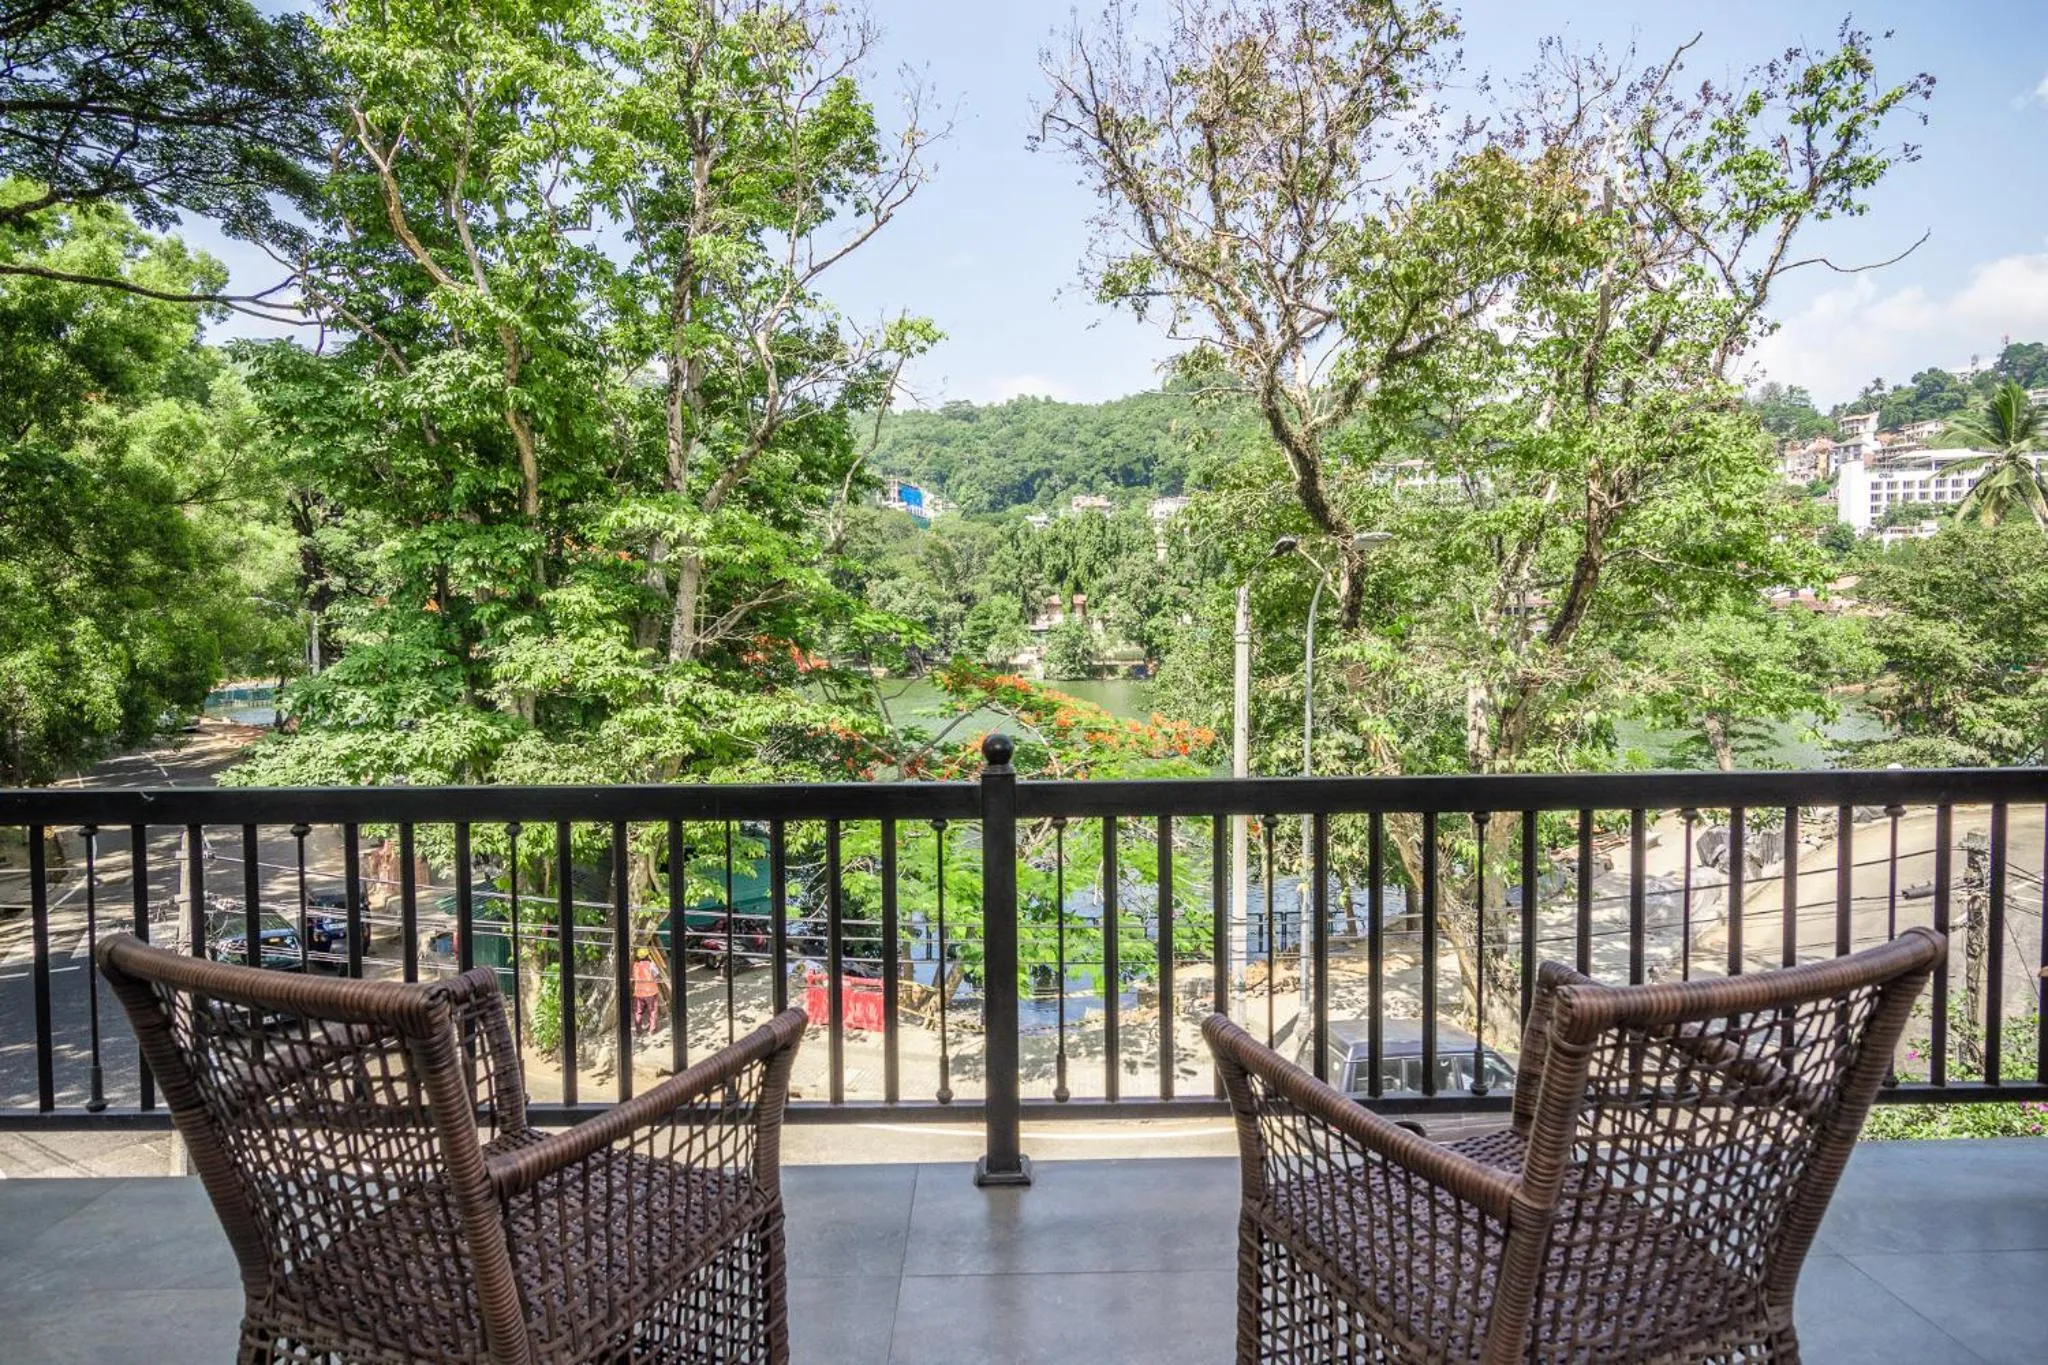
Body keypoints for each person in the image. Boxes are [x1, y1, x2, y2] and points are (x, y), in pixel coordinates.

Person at [632, 949, 662, 1036]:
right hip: (650, 992)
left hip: (638, 992)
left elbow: (634, 976)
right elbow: (657, 975)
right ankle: (652, 1029)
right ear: (648, 955)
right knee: (652, 1010)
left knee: (638, 1011)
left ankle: (638, 1031)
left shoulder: (635, 965)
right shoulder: (651, 965)